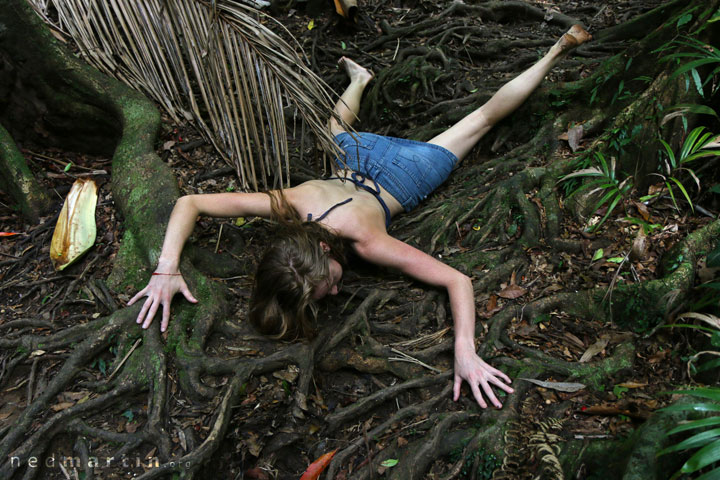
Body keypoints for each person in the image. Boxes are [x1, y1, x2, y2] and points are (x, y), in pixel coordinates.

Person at [129, 25, 592, 409]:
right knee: (335, 131)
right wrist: (165, 268)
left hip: (407, 175)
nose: (334, 290)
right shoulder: (291, 202)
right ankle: (359, 80)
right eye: (325, 292)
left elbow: (458, 281)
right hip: (356, 155)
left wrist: (465, 351)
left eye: (325, 283)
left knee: (483, 118)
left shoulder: (366, 242)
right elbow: (189, 202)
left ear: (323, 249)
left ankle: (556, 51)